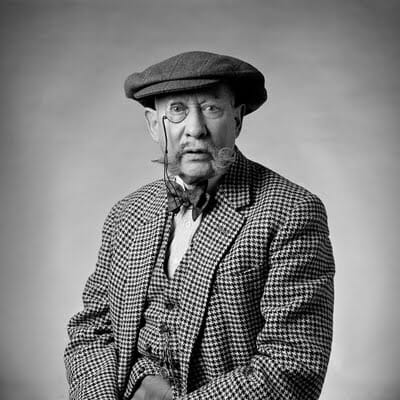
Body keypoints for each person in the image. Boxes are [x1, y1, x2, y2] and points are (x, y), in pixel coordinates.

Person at [64, 51, 335, 400]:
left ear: (237, 119)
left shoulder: (292, 212)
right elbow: (92, 332)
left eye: (211, 108)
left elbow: (293, 365)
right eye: (177, 110)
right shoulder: (126, 214)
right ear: (153, 124)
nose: (195, 128)